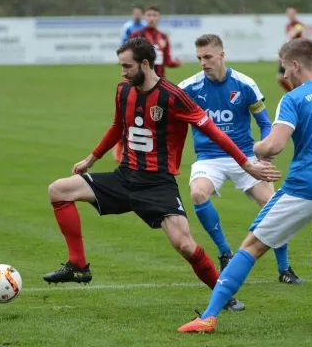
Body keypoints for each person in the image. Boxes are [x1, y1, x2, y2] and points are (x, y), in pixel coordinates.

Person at [43, 37, 282, 311]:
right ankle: (78, 266)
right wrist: (91, 158)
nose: (122, 72)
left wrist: (245, 162)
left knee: (185, 245)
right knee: (58, 190)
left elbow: (213, 131)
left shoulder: (174, 97)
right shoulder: (123, 91)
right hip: (124, 177)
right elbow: (117, 126)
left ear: (145, 64)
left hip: (158, 185)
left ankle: (224, 295)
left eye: (127, 66)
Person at [178, 38, 312, 333]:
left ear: (295, 65)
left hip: (305, 189)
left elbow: (273, 147)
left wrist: (256, 149)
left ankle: (208, 316)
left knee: (252, 246)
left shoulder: (294, 98)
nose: (284, 76)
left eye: (284, 69)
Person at [178, 34, 303, 285]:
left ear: (221, 55)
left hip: (245, 156)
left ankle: (285, 269)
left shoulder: (244, 84)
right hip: (209, 157)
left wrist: (265, 155)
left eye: (208, 57)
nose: (203, 62)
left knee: (272, 205)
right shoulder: (188, 88)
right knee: (198, 194)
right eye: (200, 58)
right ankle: (225, 252)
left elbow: (265, 123)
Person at [113, 5, 182, 163]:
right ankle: (120, 144)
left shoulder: (163, 37)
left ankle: (158, 149)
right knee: (131, 117)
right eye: (149, 15)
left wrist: (175, 63)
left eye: (154, 15)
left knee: (159, 119)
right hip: (140, 83)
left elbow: (166, 60)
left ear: (159, 17)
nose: (151, 18)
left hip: (159, 84)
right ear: (145, 17)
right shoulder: (137, 35)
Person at [277, 7, 305, 92]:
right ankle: (291, 93)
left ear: (295, 14)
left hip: (296, 54)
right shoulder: (288, 25)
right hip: (289, 53)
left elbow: (294, 34)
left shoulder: (298, 25)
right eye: (289, 14)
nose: (290, 15)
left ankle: (297, 94)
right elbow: (289, 39)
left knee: (296, 78)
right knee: (280, 78)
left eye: (292, 13)